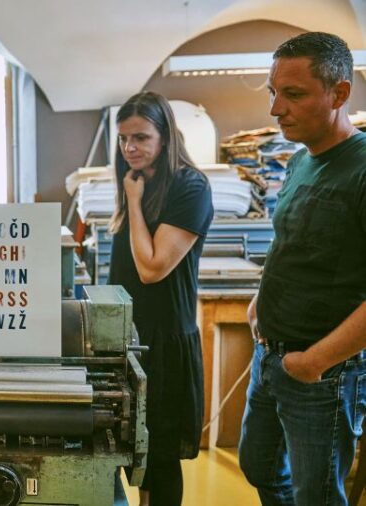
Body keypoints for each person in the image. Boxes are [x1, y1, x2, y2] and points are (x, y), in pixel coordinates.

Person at [238, 32, 366, 506]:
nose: (276, 109)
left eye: (293, 94)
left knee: (317, 496)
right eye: (274, 92)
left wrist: (315, 362)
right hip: (270, 355)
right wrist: (259, 302)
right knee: (259, 467)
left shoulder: (362, 168)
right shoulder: (298, 162)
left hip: (323, 371)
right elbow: (292, 243)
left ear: (339, 93)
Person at [107, 91, 214, 506]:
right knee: (132, 456)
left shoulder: (189, 186)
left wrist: (133, 204)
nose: (129, 148)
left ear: (165, 136)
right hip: (129, 338)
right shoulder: (137, 181)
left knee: (161, 459)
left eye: (141, 138)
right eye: (123, 139)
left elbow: (151, 268)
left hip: (165, 341)